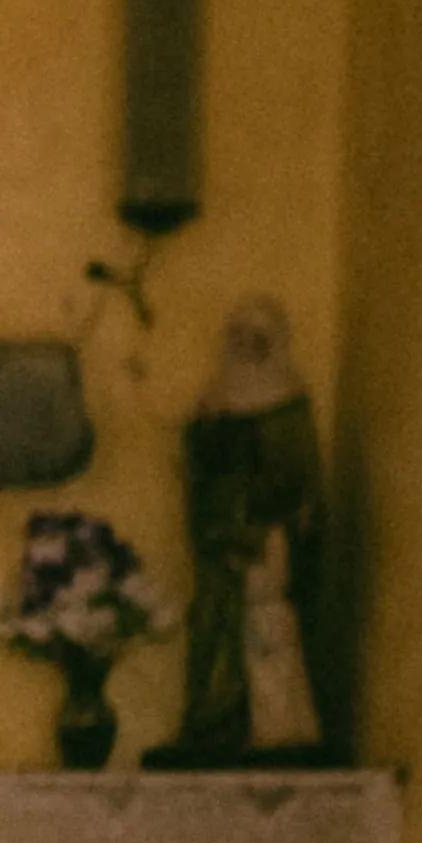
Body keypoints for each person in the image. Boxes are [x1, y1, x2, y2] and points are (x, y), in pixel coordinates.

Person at [169, 293, 334, 766]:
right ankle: (213, 725)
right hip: (220, 539)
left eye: (254, 338)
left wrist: (251, 518)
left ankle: (276, 730)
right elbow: (199, 470)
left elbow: (299, 478)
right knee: (213, 627)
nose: (244, 345)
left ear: (273, 341)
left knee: (265, 629)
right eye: (236, 336)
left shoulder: (287, 400)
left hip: (263, 540)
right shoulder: (215, 397)